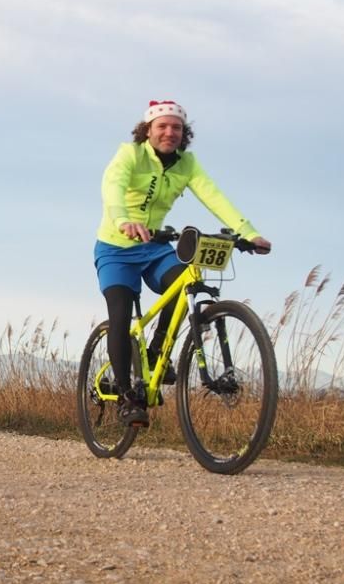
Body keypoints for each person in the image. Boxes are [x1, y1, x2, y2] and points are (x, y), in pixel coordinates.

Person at [95, 99, 271, 427]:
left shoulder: (186, 164)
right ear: (148, 130)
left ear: (183, 132)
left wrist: (247, 232)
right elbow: (113, 187)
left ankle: (155, 354)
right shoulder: (130, 154)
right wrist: (122, 220)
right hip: (116, 248)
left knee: (182, 284)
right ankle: (125, 397)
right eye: (162, 126)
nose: (169, 132)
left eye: (176, 127)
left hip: (155, 247)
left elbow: (214, 196)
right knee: (119, 316)